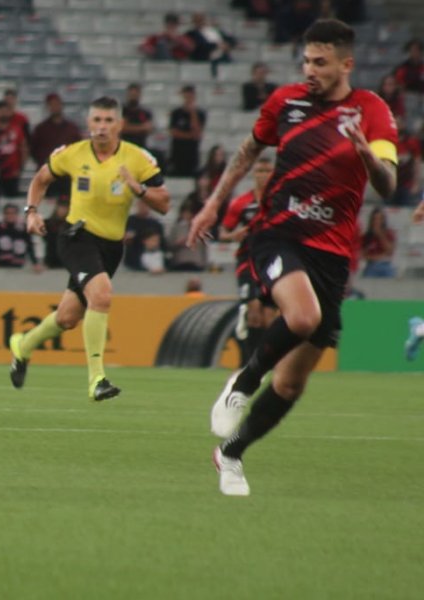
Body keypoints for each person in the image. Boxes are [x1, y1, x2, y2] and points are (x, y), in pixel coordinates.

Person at [187, 20, 399, 497]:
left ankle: (231, 454)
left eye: (320, 63)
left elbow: (387, 184)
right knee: (302, 317)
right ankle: (241, 382)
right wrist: (213, 203)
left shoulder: (372, 111)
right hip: (278, 233)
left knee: (289, 386)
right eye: (306, 61)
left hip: (332, 255)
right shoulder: (285, 102)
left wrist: (366, 152)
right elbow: (247, 152)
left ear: (347, 64)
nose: (310, 71)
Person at [10, 96, 170, 401]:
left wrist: (138, 189)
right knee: (102, 294)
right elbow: (41, 179)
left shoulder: (137, 159)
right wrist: (31, 211)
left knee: (68, 318)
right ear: (88, 123)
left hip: (111, 247)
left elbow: (164, 203)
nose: (102, 127)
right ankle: (97, 379)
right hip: (76, 238)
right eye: (96, 120)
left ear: (120, 125)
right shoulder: (72, 154)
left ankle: (23, 345)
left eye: (109, 121)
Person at [218, 157, 277, 365]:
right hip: (248, 261)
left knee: (269, 315)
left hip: (273, 262)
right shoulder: (241, 203)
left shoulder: (281, 201)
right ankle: (251, 362)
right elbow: (223, 232)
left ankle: (267, 360)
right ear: (254, 174)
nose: (263, 176)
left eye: (267, 171)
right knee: (254, 311)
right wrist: (234, 235)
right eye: (259, 171)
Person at [30, 93, 83, 202]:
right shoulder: (41, 129)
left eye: (56, 104)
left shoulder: (72, 129)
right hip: (48, 172)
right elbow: (34, 149)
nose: (54, 107)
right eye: (51, 104)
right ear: (47, 107)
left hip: (67, 174)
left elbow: (79, 149)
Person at [0, 101, 27, 201]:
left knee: (11, 199)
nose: (3, 113)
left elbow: (23, 149)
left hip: (12, 173)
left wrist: (20, 168)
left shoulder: (16, 130)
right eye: (0, 110)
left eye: (5, 110)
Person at [0, 204, 41, 271]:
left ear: (17, 214)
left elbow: (29, 246)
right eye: (8, 213)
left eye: (13, 213)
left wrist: (35, 263)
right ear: (4, 214)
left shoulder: (23, 229)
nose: (10, 215)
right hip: (1, 266)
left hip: (18, 265)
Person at [168, 85, 206, 176]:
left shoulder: (200, 114)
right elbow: (174, 133)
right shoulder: (176, 113)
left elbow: (197, 133)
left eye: (190, 96)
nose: (188, 99)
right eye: (186, 96)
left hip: (192, 153)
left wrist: (193, 113)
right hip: (178, 152)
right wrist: (190, 136)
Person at [122, 201, 164, 271]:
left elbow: (162, 242)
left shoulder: (155, 223)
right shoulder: (130, 221)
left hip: (152, 255)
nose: (143, 207)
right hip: (133, 258)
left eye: (146, 205)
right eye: (141, 205)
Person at [167, 199, 207, 271]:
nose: (188, 215)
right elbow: (169, 246)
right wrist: (178, 244)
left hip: (196, 263)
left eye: (190, 213)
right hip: (179, 263)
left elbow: (204, 248)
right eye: (185, 213)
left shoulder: (201, 229)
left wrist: (204, 264)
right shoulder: (176, 228)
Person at [392, 116, 421, 206]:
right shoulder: (389, 142)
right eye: (395, 124)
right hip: (391, 183)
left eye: (399, 124)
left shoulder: (411, 142)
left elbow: (417, 162)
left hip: (407, 184)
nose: (397, 126)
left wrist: (416, 183)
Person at [360, 208, 396, 278]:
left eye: (380, 219)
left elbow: (390, 251)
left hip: (386, 265)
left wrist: (380, 235)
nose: (377, 222)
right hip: (371, 265)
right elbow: (362, 254)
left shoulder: (388, 234)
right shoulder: (366, 236)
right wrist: (376, 257)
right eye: (375, 219)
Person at [120, 83, 155, 150]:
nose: (134, 96)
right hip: (124, 147)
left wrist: (130, 127)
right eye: (132, 94)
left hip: (140, 147)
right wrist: (141, 128)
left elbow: (149, 128)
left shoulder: (145, 112)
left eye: (136, 94)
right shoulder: (122, 111)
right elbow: (122, 128)